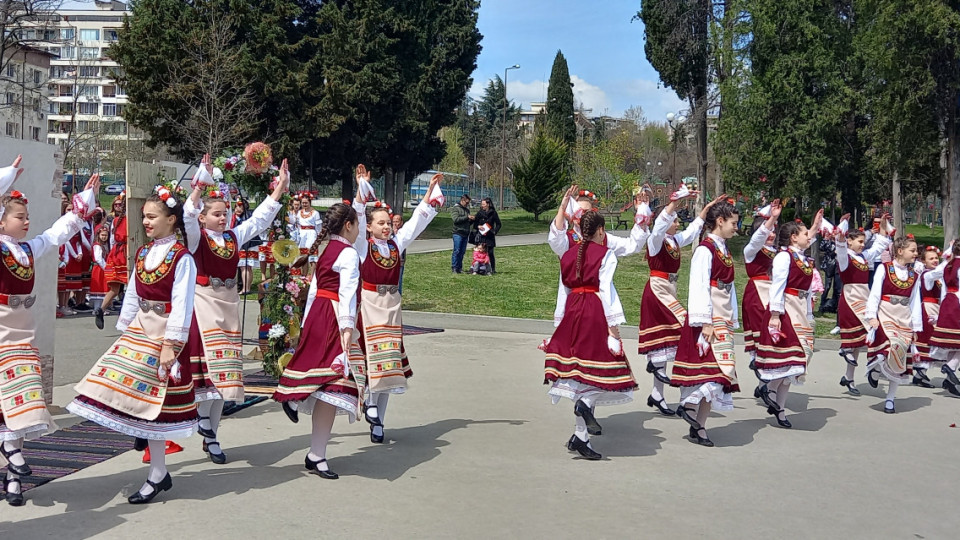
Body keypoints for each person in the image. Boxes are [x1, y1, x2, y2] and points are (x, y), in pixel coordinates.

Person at [68, 184, 198, 504]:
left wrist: (171, 344)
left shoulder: (182, 258)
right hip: (141, 329)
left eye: (153, 216)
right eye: (144, 217)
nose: (146, 222)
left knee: (152, 405)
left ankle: (157, 473)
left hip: (163, 333)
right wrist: (125, 327)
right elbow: (135, 294)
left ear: (172, 219)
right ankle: (153, 462)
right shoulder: (142, 253)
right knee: (112, 380)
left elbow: (182, 303)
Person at [0, 158, 97, 507]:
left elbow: (55, 235)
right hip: (0, 332)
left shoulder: (26, 249)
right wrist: (6, 177)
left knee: (25, 400)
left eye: (26, 217)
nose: (26, 222)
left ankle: (14, 477)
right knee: (7, 403)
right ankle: (11, 454)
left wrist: (81, 205)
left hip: (23, 331)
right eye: (19, 217)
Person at [182, 154, 288, 464]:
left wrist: (279, 188)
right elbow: (188, 215)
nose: (223, 218)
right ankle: (205, 426)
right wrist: (199, 187)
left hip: (228, 308)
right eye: (216, 214)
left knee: (225, 379)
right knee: (209, 375)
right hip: (204, 307)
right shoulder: (195, 238)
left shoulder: (232, 237)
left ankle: (211, 434)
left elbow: (259, 220)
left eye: (225, 213)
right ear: (203, 217)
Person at [273, 202, 365, 480]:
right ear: (348, 226)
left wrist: (306, 323)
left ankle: (316, 452)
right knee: (334, 382)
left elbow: (314, 289)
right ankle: (295, 399)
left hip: (318, 316)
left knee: (327, 385)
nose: (359, 230)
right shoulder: (347, 254)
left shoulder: (326, 251)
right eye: (357, 225)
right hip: (334, 317)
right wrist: (347, 328)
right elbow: (347, 292)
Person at [352, 167, 442, 443]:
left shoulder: (395, 245)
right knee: (373, 360)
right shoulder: (362, 246)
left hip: (392, 306)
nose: (386, 226)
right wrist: (361, 190)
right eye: (380, 223)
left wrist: (427, 198)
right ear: (368, 226)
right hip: (370, 306)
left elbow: (416, 224)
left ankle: (378, 421)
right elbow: (355, 215)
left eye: (388, 222)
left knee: (390, 364)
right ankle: (369, 404)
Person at [543, 210, 637, 460]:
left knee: (579, 373)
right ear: (600, 230)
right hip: (594, 311)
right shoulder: (605, 254)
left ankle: (580, 437)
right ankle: (585, 408)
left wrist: (559, 320)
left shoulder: (567, 254)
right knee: (608, 370)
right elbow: (605, 290)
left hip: (573, 310)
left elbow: (563, 290)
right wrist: (613, 325)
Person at [637, 186, 721, 416]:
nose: (677, 224)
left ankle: (657, 394)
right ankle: (655, 363)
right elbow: (659, 226)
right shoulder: (655, 241)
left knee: (666, 340)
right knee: (684, 324)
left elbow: (693, 232)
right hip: (657, 289)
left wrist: (705, 211)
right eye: (674, 221)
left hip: (669, 289)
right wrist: (673, 203)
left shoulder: (674, 241)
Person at [670, 199, 740, 447]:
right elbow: (698, 287)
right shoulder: (705, 250)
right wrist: (704, 322)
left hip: (723, 315)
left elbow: (729, 286)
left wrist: (733, 315)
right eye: (733, 223)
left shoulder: (723, 249)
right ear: (719, 221)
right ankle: (688, 406)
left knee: (721, 371)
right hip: (709, 318)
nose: (736, 228)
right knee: (714, 370)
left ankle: (699, 426)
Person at [755, 212, 824, 428]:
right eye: (804, 234)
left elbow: (807, 287)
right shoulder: (784, 257)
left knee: (799, 361)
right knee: (793, 358)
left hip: (801, 310)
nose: (808, 237)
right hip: (788, 309)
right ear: (793, 237)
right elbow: (777, 286)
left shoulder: (802, 258)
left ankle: (778, 404)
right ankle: (771, 392)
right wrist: (775, 314)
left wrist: (814, 226)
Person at [864, 236, 922, 413]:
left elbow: (915, 300)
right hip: (886, 313)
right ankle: (874, 365)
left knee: (900, 355)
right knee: (891, 345)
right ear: (899, 251)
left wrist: (916, 326)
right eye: (912, 250)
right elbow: (875, 293)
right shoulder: (884, 268)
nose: (916, 253)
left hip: (904, 317)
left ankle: (890, 398)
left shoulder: (914, 275)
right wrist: (871, 315)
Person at [834, 216, 891, 395]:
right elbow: (841, 251)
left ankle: (849, 377)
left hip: (864, 298)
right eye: (859, 241)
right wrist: (840, 238)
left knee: (862, 341)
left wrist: (882, 229)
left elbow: (878, 247)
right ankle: (848, 350)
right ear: (849, 242)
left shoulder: (863, 257)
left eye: (863, 241)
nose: (862, 244)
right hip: (851, 299)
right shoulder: (845, 260)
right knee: (859, 337)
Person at [742, 201, 781, 378]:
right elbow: (758, 239)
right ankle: (762, 372)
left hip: (773, 293)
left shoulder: (777, 251)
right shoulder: (751, 250)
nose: (771, 234)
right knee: (763, 333)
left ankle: (765, 381)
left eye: (774, 230)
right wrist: (771, 218)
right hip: (757, 293)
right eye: (768, 230)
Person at [927, 240, 960, 397]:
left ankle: (949, 380)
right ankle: (951, 367)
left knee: (952, 342)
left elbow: (933, 277)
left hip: (948, 301)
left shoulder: (947, 265)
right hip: (958, 303)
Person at [913, 245, 947, 388]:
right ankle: (922, 371)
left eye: (936, 258)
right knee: (931, 339)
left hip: (936, 308)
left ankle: (921, 373)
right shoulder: (927, 274)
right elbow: (939, 272)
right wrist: (949, 259)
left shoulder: (935, 275)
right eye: (931, 258)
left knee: (935, 340)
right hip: (928, 309)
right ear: (924, 261)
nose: (935, 260)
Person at [97, 192, 128, 329]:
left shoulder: (116, 220)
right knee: (131, 285)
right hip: (125, 252)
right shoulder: (130, 220)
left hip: (116, 252)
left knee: (115, 289)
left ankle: (101, 309)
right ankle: (127, 316)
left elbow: (113, 239)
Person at [231, 198, 260, 295]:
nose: (238, 209)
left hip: (248, 244)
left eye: (240, 207)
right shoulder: (234, 217)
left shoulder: (246, 216)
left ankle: (246, 288)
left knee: (245, 266)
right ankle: (246, 287)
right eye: (236, 207)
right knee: (245, 267)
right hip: (245, 243)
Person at [472, 198, 502, 274]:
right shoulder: (479, 213)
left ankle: (492, 269)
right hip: (482, 235)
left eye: (484, 204)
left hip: (490, 235)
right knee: (480, 252)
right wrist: (478, 226)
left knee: (490, 253)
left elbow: (499, 224)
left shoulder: (493, 213)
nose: (482, 206)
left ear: (488, 204)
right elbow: (475, 224)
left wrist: (494, 231)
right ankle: (478, 269)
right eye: (482, 204)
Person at [296, 192, 322, 276]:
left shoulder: (315, 213)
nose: (304, 204)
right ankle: (304, 275)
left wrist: (319, 236)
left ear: (310, 202)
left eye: (306, 203)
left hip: (311, 234)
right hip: (302, 234)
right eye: (303, 203)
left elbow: (318, 226)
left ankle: (312, 276)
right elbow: (297, 224)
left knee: (312, 256)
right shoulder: (299, 213)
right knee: (303, 256)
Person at [87, 225, 110, 316]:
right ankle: (96, 308)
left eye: (106, 235)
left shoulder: (104, 245)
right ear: (98, 235)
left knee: (102, 288)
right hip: (99, 269)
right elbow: (98, 258)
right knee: (98, 288)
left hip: (101, 269)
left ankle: (101, 308)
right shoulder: (97, 246)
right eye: (102, 235)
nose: (104, 237)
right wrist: (106, 268)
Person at [451, 194, 472, 273]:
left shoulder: (467, 210)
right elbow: (456, 219)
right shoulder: (456, 209)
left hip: (465, 233)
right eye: (466, 203)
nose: (467, 204)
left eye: (468, 203)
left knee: (462, 252)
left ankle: (459, 268)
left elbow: (467, 222)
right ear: (462, 200)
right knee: (457, 250)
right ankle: (454, 267)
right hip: (458, 232)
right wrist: (467, 217)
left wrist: (471, 220)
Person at [392, 213, 407, 293]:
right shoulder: (389, 232)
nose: (395, 223)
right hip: (391, 261)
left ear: (401, 223)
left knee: (399, 281)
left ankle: (399, 299)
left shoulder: (403, 233)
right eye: (393, 221)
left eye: (397, 221)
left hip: (400, 260)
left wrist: (396, 234)